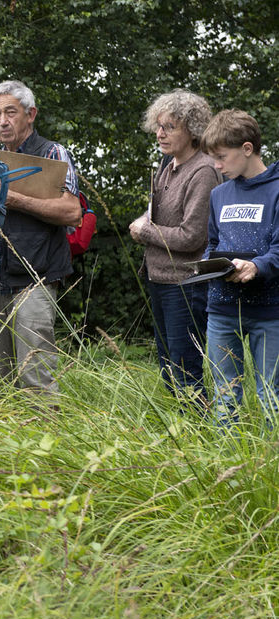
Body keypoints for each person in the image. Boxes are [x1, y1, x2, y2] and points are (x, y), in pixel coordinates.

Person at [0, 80, 83, 397]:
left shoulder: (51, 152)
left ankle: (45, 442)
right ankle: (6, 444)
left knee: (35, 377)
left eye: (10, 112)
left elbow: (72, 212)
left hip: (33, 278)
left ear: (30, 114)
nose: (2, 121)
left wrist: (15, 199)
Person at [128, 90, 220, 401]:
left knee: (185, 372)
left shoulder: (204, 170)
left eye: (169, 127)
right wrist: (145, 220)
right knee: (169, 369)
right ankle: (187, 441)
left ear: (192, 129)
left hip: (186, 283)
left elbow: (192, 236)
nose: (159, 133)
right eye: (158, 125)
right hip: (159, 279)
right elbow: (157, 211)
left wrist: (146, 231)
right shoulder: (169, 165)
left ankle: (202, 442)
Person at [199, 109, 279, 425]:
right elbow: (212, 243)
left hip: (270, 310)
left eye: (222, 157)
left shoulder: (276, 191)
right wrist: (209, 264)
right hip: (222, 308)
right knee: (224, 393)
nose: (216, 165)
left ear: (247, 149)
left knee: (270, 394)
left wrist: (257, 266)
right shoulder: (219, 194)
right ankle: (225, 466)